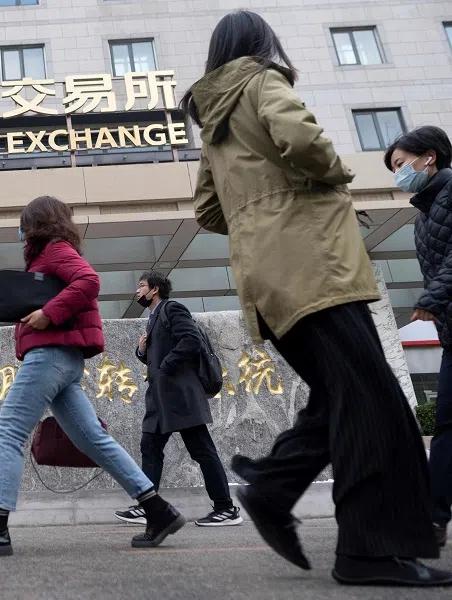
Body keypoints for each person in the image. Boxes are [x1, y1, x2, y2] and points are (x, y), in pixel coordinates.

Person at [181, 9, 451, 587]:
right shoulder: (262, 80)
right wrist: (327, 179)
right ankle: (369, 552)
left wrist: (258, 219)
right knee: (375, 403)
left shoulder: (214, 124)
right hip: (315, 266)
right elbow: (306, 144)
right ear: (262, 43)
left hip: (268, 279)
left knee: (342, 396)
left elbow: (207, 209)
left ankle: (273, 487)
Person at [0, 196, 186, 557]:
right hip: (65, 360)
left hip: (50, 356)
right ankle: (158, 510)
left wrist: (48, 312)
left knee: (9, 431)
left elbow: (89, 281)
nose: (21, 231)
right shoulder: (49, 254)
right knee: (94, 440)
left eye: (24, 224)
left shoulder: (56, 250)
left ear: (36, 224)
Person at [115, 271, 241, 528]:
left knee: (202, 451)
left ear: (155, 289)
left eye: (142, 286)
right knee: (150, 449)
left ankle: (226, 509)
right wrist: (141, 351)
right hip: (160, 400)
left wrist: (165, 366)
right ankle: (148, 506)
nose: (137, 291)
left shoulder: (172, 309)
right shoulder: (153, 319)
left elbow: (192, 340)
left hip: (180, 397)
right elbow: (158, 355)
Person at [384, 125, 452, 550]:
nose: (398, 174)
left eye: (400, 163)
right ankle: (432, 518)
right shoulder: (423, 217)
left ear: (429, 157)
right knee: (445, 425)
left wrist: (432, 297)